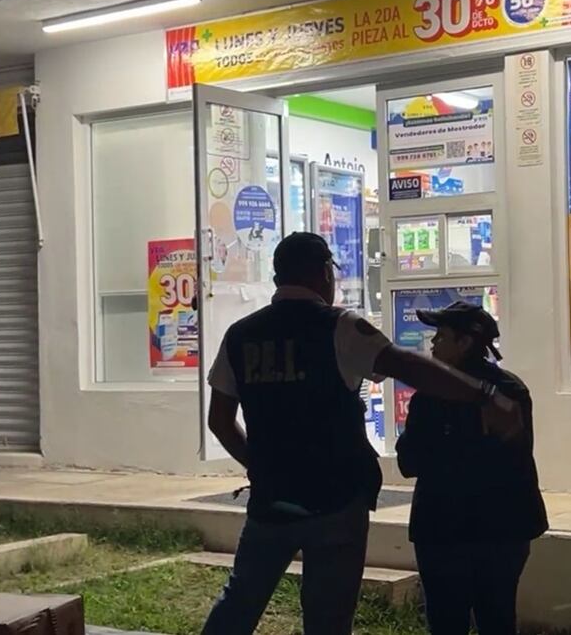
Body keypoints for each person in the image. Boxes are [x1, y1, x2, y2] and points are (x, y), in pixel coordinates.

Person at [201, 232, 523, 635]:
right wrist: (483, 394)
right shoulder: (339, 327)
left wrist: (263, 467)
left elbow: (219, 421)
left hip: (271, 502)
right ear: (323, 273)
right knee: (329, 617)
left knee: (240, 601)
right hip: (334, 501)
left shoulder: (239, 335)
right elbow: (406, 365)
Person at [396, 302, 548, 635]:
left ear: (464, 343)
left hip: (445, 530)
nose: (432, 344)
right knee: (498, 617)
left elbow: (409, 461)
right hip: (505, 529)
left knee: (447, 620)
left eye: (440, 336)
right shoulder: (511, 390)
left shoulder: (433, 397)